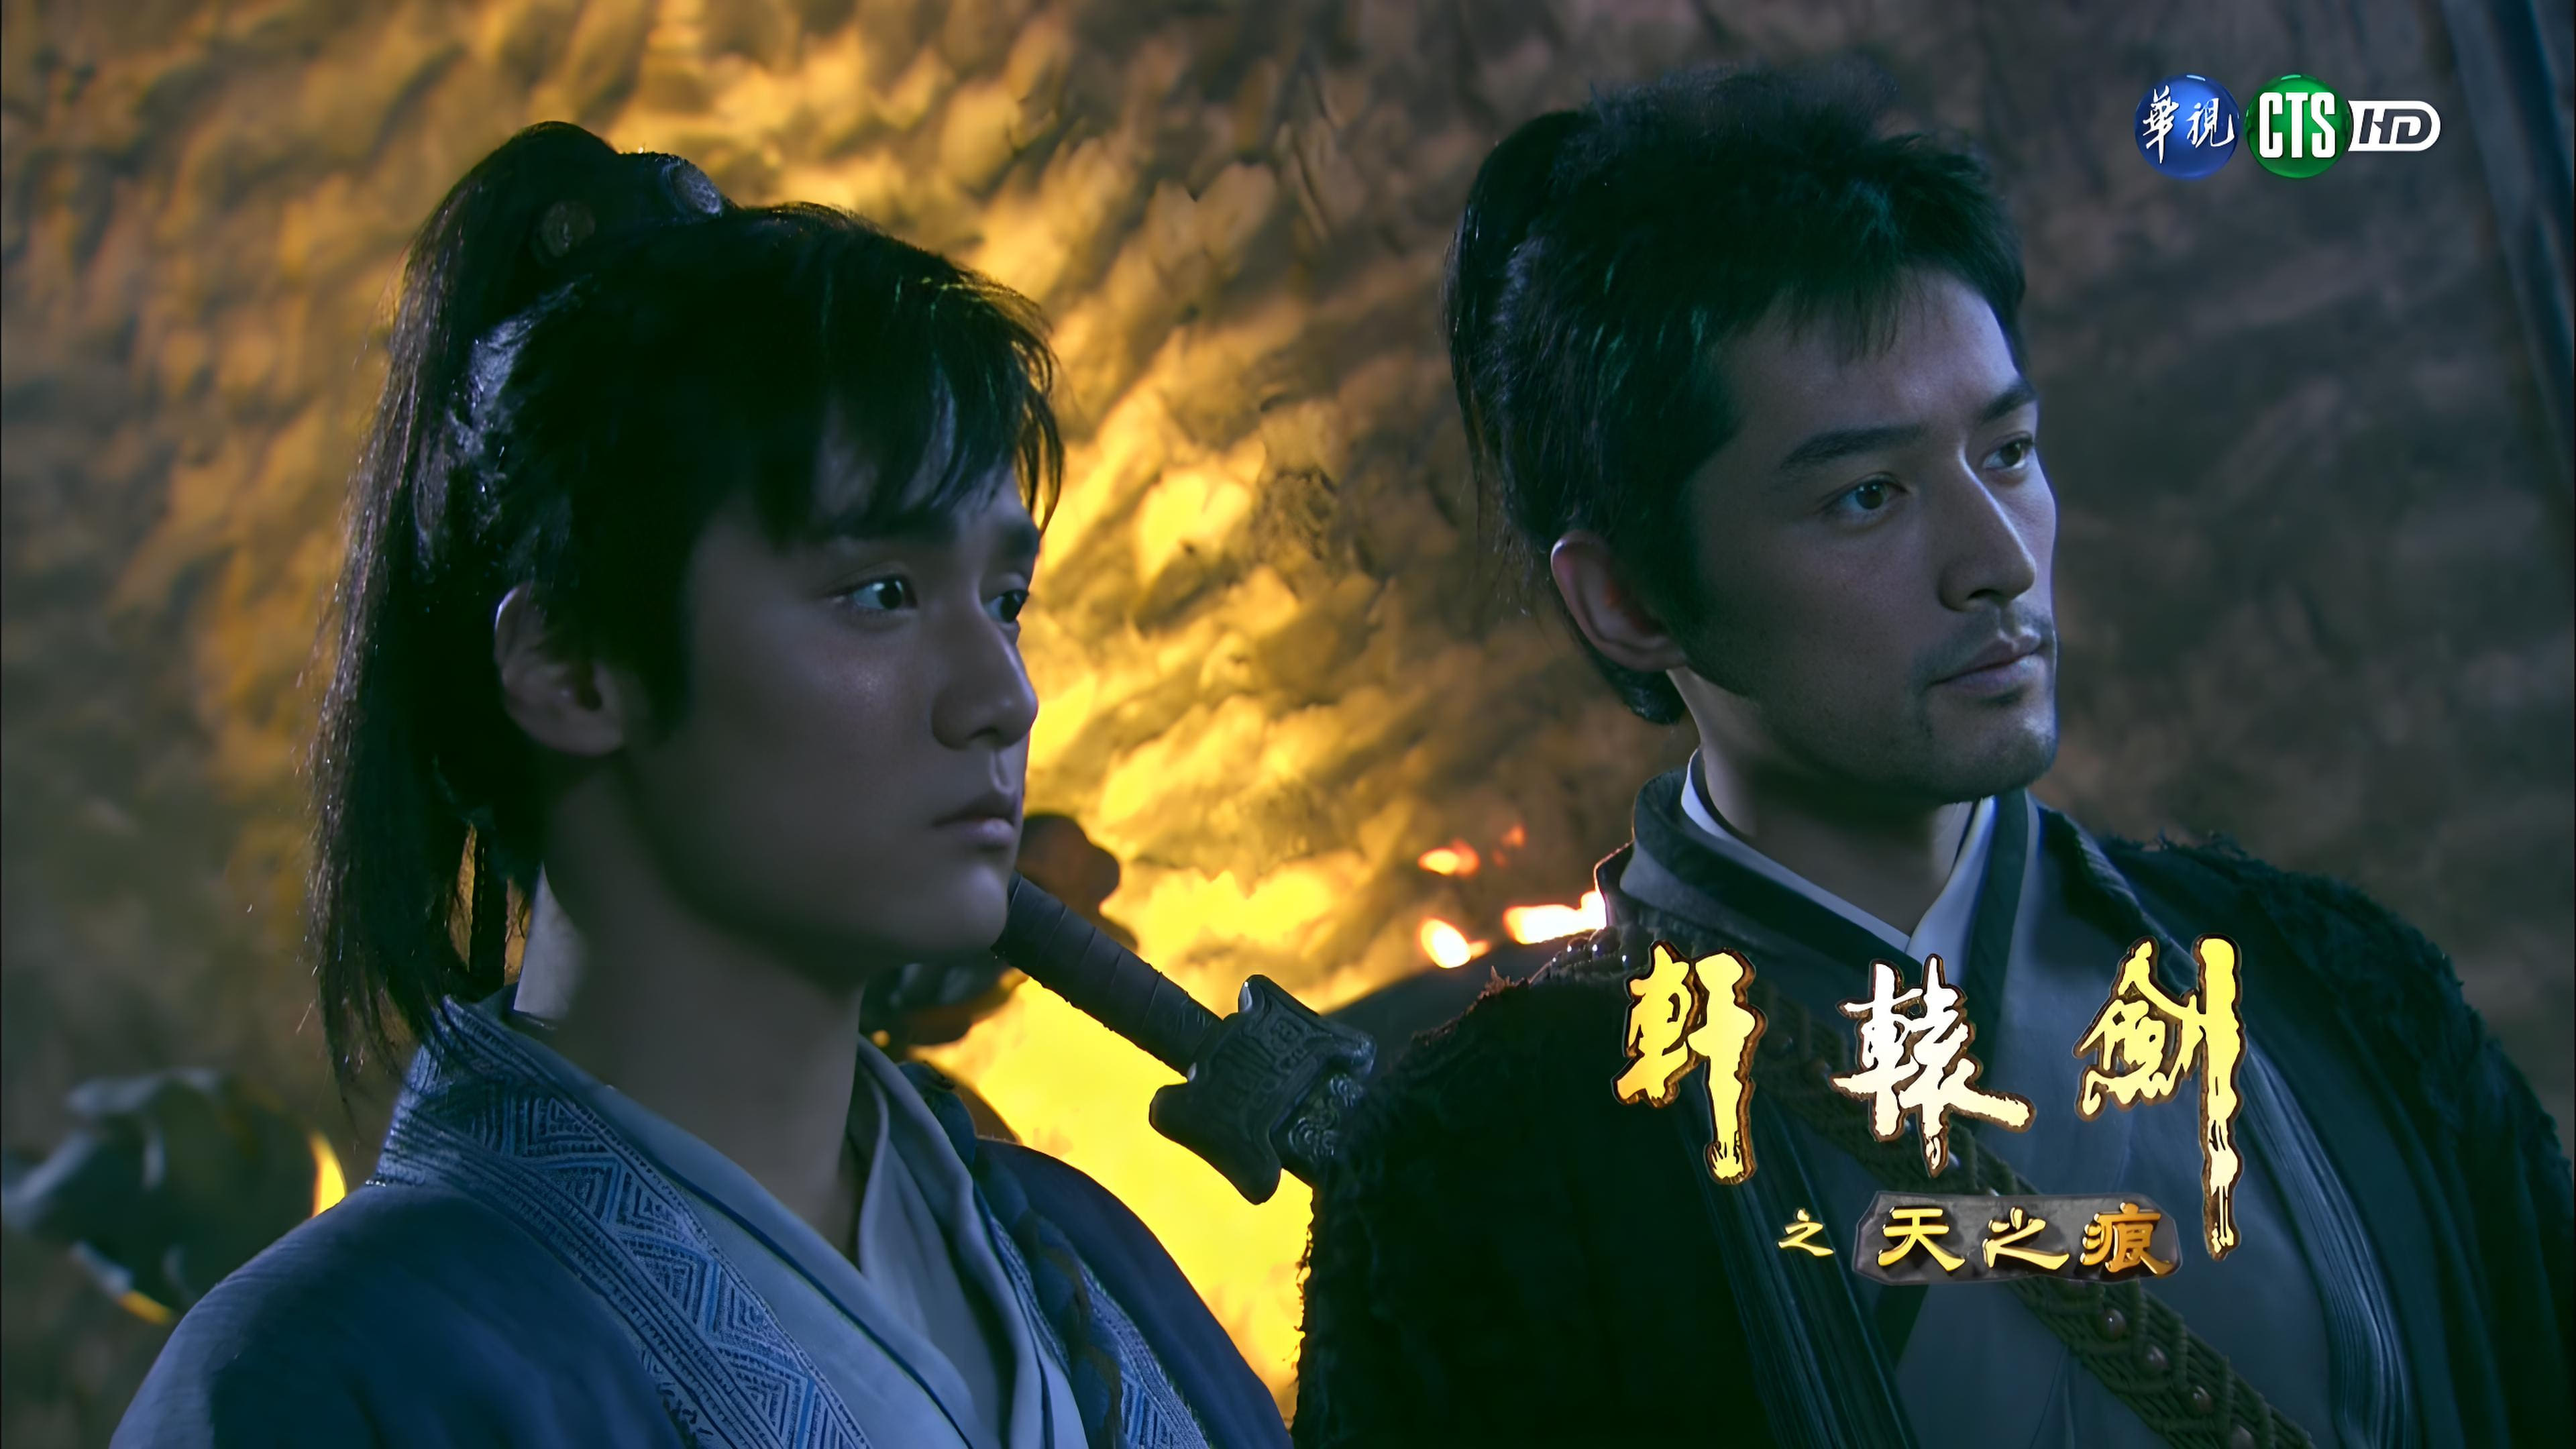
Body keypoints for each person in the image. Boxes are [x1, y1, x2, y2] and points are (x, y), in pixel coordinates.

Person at [1292, 64, 2571, 1448]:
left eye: (2008, 451)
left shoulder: (2334, 993)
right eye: (1867, 494)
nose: (1997, 559)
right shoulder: (1489, 1169)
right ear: (1631, 598)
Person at [119, 122, 1285, 1449]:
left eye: (1005, 600)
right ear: (573, 664)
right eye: (881, 593)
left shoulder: (1084, 1259)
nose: (1001, 697)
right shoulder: (317, 1381)